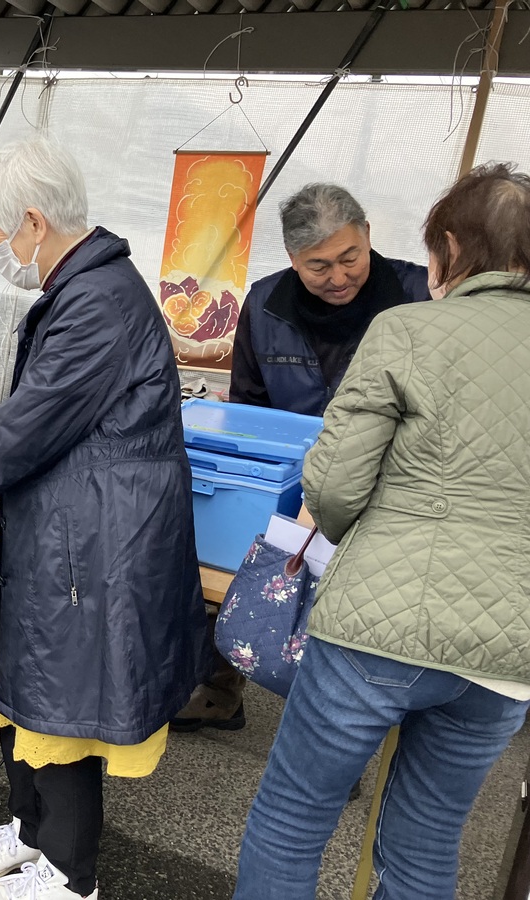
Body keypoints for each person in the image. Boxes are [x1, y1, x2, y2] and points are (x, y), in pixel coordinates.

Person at [0, 137, 208, 900]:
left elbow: (37, 428)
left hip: (93, 540)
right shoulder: (89, 287)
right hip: (77, 526)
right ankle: (32, 833)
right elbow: (59, 420)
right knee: (29, 689)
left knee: (60, 706)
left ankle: (70, 877)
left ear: (32, 221)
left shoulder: (95, 300)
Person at [233, 162, 530, 900]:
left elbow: (332, 490)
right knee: (428, 839)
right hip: (510, 648)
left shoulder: (406, 328)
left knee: (295, 816)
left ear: (451, 248)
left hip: (382, 624)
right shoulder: (272, 305)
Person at [172, 183, 430, 733]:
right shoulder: (265, 304)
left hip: (387, 485)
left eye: (349, 258)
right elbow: (247, 405)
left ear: (367, 238)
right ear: (292, 260)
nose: (338, 277)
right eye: (318, 266)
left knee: (352, 613)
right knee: (250, 573)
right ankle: (220, 690)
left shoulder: (418, 296)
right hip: (285, 481)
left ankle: (340, 729)